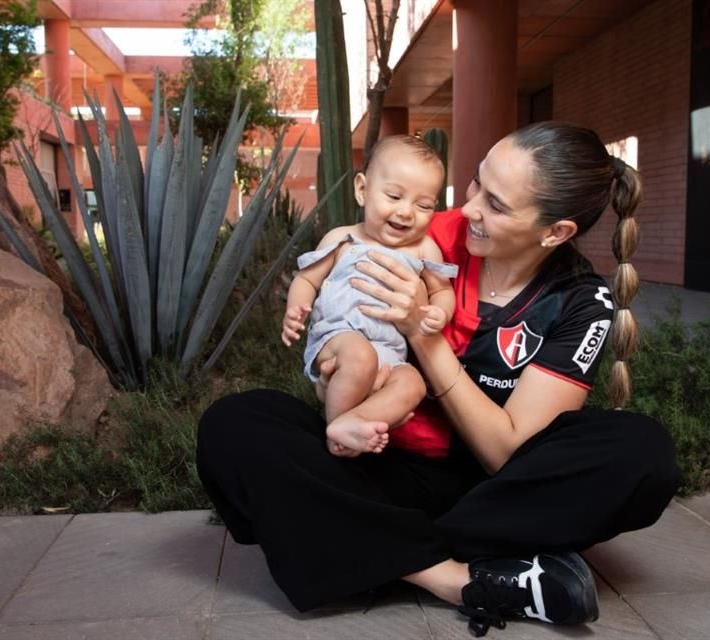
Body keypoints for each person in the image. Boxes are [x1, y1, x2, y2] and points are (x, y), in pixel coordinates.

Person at [196, 121, 679, 637]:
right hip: (383, 461)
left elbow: (508, 453)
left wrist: (422, 336)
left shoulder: (581, 300)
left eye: (496, 204)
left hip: (495, 494)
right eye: (475, 183)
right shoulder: (425, 233)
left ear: (555, 231)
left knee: (643, 453)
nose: (468, 208)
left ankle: (354, 540)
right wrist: (337, 375)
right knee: (235, 425)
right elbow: (338, 322)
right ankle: (455, 577)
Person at [281, 135, 458, 456]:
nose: (406, 213)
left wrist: (440, 312)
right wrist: (297, 307)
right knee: (360, 357)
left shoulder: (422, 248)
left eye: (423, 205)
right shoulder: (343, 239)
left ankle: (358, 421)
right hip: (339, 337)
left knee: (414, 384)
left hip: (389, 352)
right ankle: (338, 430)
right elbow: (306, 279)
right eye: (394, 196)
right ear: (362, 190)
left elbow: (442, 290)